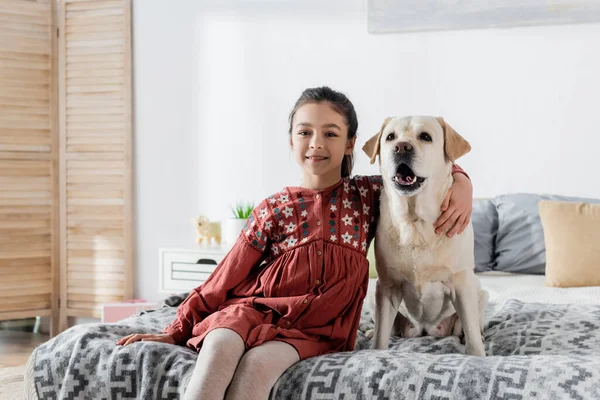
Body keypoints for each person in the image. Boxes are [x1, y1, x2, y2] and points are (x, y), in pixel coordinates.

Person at [116, 86, 473, 399]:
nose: (316, 143)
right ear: (291, 140)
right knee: (220, 349)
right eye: (305, 132)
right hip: (253, 309)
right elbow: (224, 277)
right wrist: (176, 329)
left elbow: (422, 169)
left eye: (331, 134)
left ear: (351, 143)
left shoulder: (369, 195)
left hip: (314, 330)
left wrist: (463, 182)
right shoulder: (273, 208)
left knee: (257, 367)